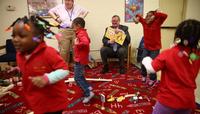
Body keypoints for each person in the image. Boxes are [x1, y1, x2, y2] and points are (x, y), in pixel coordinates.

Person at [9, 16, 69, 114]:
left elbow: (64, 70)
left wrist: (47, 78)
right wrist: (18, 69)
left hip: (53, 101)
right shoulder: (20, 55)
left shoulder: (49, 53)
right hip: (35, 99)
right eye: (13, 35)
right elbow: (28, 67)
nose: (15, 39)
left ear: (38, 38)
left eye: (22, 36)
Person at [142, 19, 200, 114]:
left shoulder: (168, 54)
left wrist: (146, 59)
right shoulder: (196, 55)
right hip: (188, 101)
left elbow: (151, 68)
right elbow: (186, 56)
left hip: (168, 101)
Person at [48, 0, 89, 65]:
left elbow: (86, 11)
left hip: (75, 30)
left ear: (72, 1)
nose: (67, 2)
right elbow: (50, 11)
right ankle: (63, 66)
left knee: (76, 49)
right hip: (63, 30)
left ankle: (76, 66)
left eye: (69, 0)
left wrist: (80, 19)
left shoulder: (77, 7)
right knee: (64, 50)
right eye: (66, 0)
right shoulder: (60, 7)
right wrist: (56, 18)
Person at [134, 10, 167, 86]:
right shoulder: (144, 22)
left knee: (153, 65)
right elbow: (138, 15)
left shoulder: (157, 22)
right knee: (142, 61)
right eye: (147, 15)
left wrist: (155, 14)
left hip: (155, 48)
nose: (148, 17)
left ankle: (152, 79)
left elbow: (165, 15)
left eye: (150, 16)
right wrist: (136, 18)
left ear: (153, 17)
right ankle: (144, 75)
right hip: (146, 47)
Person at [72, 17, 94, 103]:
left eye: (74, 26)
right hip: (82, 58)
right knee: (80, 75)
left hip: (80, 59)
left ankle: (88, 93)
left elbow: (86, 42)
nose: (73, 28)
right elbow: (89, 40)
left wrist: (77, 44)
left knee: (77, 78)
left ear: (78, 25)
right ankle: (88, 86)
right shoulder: (83, 32)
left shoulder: (80, 33)